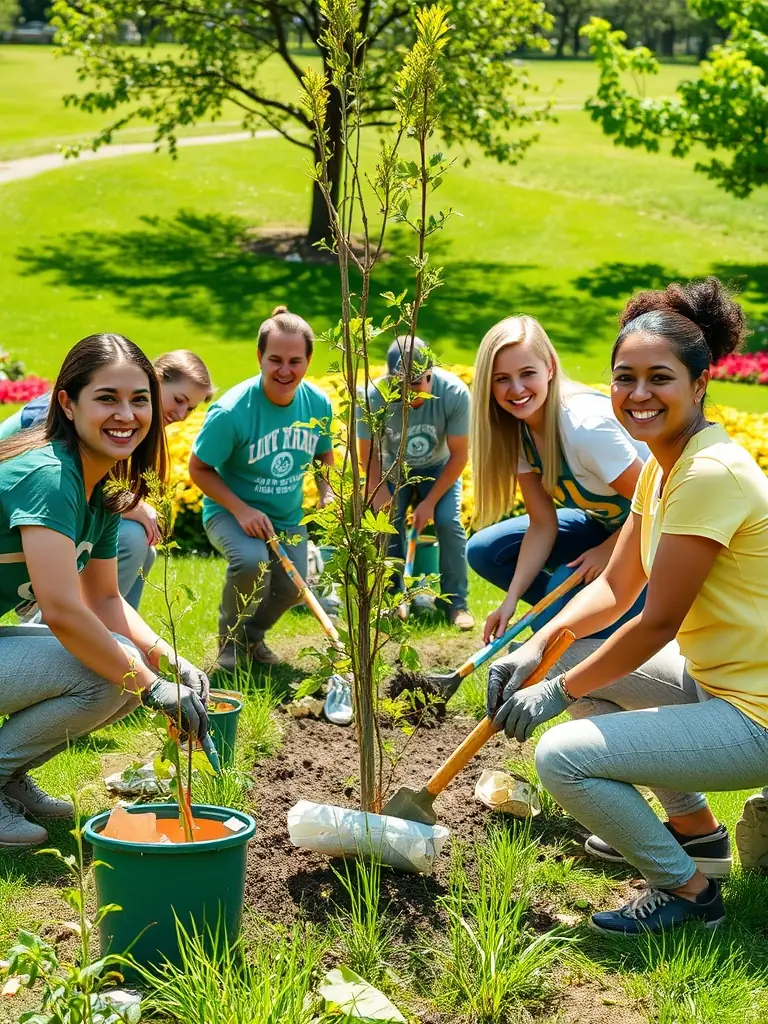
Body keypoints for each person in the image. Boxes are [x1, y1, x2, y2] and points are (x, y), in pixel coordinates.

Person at [487, 278, 768, 935]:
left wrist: (555, 691)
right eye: (624, 378)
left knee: (561, 758)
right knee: (580, 657)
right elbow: (615, 587)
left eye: (659, 378)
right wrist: (538, 649)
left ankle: (690, 896)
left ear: (699, 384)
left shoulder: (709, 474)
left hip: (755, 714)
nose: (639, 395)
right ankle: (697, 839)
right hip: (715, 681)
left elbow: (655, 621)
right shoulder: (662, 467)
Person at [0, 333, 209, 847]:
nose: (127, 414)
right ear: (68, 404)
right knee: (115, 672)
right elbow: (64, 612)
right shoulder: (50, 477)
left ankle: (7, 777)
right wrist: (151, 685)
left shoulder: (102, 487)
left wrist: (167, 661)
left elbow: (104, 600)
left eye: (139, 399)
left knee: (125, 666)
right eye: (107, 398)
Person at [466, 315, 649, 644]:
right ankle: (565, 619)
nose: (517, 389)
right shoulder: (518, 431)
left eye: (527, 374)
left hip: (659, 536)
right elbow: (542, 524)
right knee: (483, 551)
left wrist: (609, 551)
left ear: (549, 367)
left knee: (557, 598)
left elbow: (657, 502)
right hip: (604, 524)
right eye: (502, 379)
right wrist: (509, 603)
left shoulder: (586, 430)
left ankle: (594, 625)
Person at [0, 350, 213, 610]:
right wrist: (132, 504)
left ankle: (111, 632)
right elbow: (55, 481)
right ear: (155, 380)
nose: (181, 414)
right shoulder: (55, 421)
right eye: (179, 400)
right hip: (28, 511)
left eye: (190, 409)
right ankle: (62, 619)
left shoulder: (125, 431)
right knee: (132, 538)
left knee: (142, 546)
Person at [190, 306, 334, 671]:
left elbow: (324, 455)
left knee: (292, 588)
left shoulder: (317, 404)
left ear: (308, 360)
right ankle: (229, 642)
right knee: (252, 561)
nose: (285, 370)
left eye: (295, 361)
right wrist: (242, 510)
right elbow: (200, 469)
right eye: (275, 360)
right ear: (259, 357)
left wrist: (327, 490)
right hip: (230, 512)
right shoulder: (231, 412)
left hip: (286, 517)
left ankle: (251, 637)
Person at [357, 336, 473, 630]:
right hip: (394, 469)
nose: (410, 395)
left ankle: (454, 603)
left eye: (417, 384)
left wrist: (430, 503)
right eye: (401, 387)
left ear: (431, 375)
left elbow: (459, 456)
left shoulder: (454, 393)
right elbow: (366, 455)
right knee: (387, 521)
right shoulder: (373, 398)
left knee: (448, 521)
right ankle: (392, 600)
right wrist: (380, 493)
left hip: (439, 466)